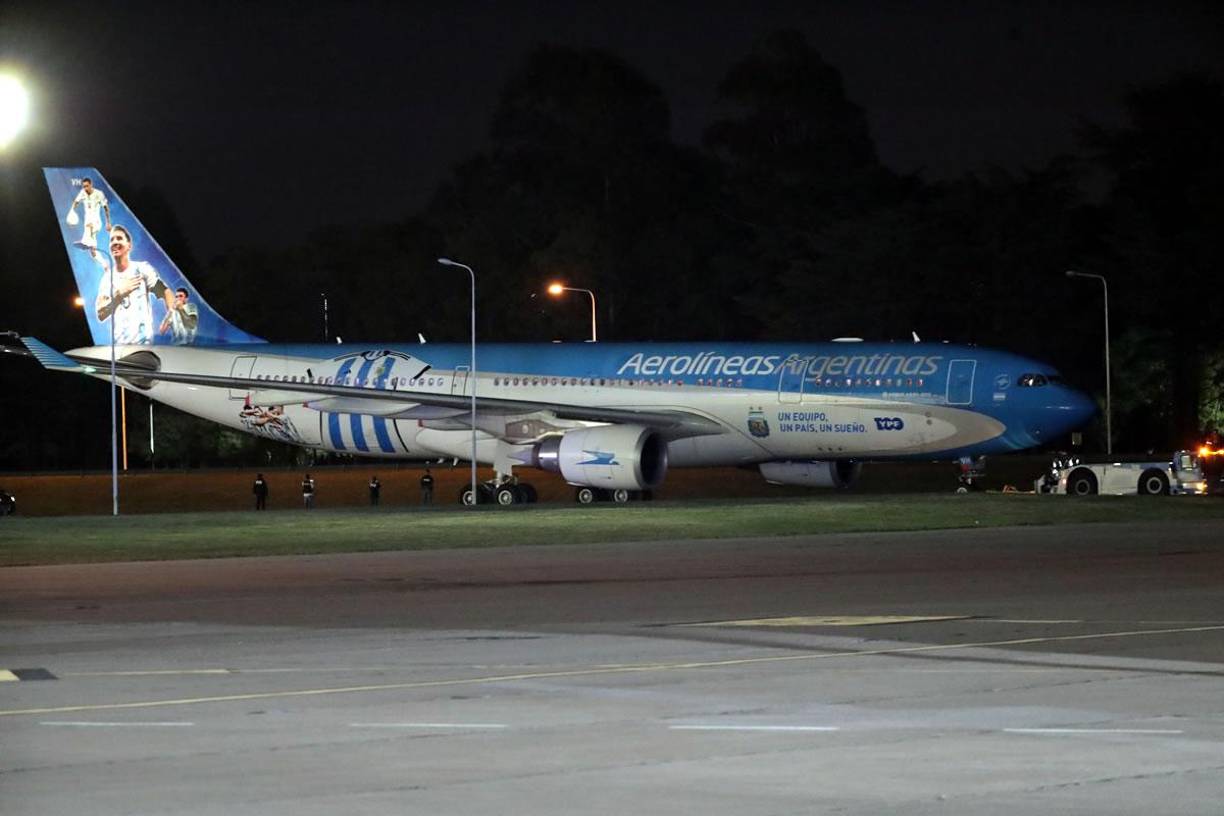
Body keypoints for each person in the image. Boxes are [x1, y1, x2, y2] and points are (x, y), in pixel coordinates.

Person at [95, 225, 175, 344]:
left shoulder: (142, 269)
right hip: (119, 347)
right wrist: (118, 295)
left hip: (143, 346)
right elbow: (101, 314)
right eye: (112, 240)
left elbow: (165, 292)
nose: (114, 242)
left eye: (119, 238)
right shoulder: (107, 279)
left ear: (129, 246)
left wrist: (171, 316)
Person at [66, 177, 111, 262]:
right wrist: (71, 211)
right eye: (84, 186)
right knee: (93, 249)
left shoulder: (99, 194)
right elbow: (76, 202)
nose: (85, 188)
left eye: (87, 186)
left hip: (97, 222)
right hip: (88, 223)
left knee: (89, 227)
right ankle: (103, 263)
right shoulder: (83, 192)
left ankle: (85, 242)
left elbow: (106, 208)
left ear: (91, 185)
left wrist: (108, 223)